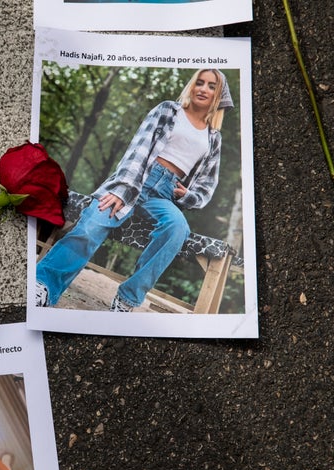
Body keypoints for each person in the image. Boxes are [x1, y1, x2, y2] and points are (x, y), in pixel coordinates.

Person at [35, 69, 234, 312]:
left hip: (165, 193)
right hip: (137, 177)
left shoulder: (214, 137)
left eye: (211, 86)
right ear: (191, 86)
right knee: (94, 223)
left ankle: (127, 298)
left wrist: (189, 195)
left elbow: (207, 181)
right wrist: (123, 189)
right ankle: (43, 284)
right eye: (199, 83)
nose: (203, 89)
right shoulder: (168, 110)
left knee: (177, 228)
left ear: (219, 95)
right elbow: (138, 149)